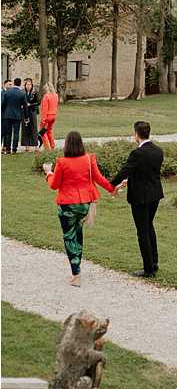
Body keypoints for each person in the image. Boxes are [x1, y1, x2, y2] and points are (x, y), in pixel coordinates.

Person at [43, 130, 115, 285]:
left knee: (69, 236)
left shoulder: (62, 162)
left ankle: (76, 272)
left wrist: (49, 173)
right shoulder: (89, 159)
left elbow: (54, 185)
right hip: (85, 203)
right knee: (78, 232)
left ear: (67, 145)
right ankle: (78, 265)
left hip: (67, 204)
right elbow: (99, 178)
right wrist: (112, 188)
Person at [110, 121, 164, 278]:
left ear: (136, 134)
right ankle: (154, 262)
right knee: (149, 227)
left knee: (142, 232)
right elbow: (146, 172)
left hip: (141, 197)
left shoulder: (137, 154)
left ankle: (148, 269)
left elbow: (125, 170)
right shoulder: (158, 151)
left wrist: (110, 184)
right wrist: (129, 181)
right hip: (155, 195)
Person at [1, 78, 27, 154]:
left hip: (7, 115)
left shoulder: (7, 92)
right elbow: (25, 106)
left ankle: (8, 149)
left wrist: (4, 112)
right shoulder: (22, 93)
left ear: (14, 83)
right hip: (17, 115)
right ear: (20, 83)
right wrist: (26, 117)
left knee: (8, 133)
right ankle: (14, 149)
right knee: (16, 133)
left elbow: (3, 104)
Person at [21, 78, 40, 152]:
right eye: (27, 84)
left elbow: (38, 102)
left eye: (30, 84)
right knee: (25, 128)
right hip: (24, 112)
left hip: (32, 112)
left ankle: (36, 145)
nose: (28, 86)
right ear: (25, 85)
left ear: (32, 85)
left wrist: (30, 104)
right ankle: (26, 145)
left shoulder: (34, 92)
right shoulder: (23, 93)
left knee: (33, 128)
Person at [40, 82, 59, 150]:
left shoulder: (46, 96)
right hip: (53, 115)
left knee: (43, 132)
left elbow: (45, 109)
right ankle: (52, 145)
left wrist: (43, 119)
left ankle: (47, 147)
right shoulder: (56, 95)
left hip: (47, 116)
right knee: (49, 131)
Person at [1, 80, 13, 154]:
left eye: (11, 85)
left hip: (8, 116)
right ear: (5, 84)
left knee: (6, 132)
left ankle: (5, 147)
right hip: (3, 115)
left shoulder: (10, 93)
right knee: (2, 131)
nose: (10, 86)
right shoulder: (2, 93)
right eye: (9, 84)